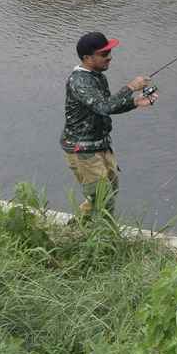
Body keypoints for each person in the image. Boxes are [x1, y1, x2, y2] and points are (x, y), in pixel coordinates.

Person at [61, 31, 156, 219]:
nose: (110, 57)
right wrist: (130, 88)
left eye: (110, 53)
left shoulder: (97, 76)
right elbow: (104, 106)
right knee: (102, 198)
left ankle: (78, 229)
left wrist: (135, 102)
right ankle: (99, 238)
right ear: (88, 58)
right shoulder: (79, 81)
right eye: (104, 54)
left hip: (101, 145)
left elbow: (105, 107)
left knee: (108, 192)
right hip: (83, 149)